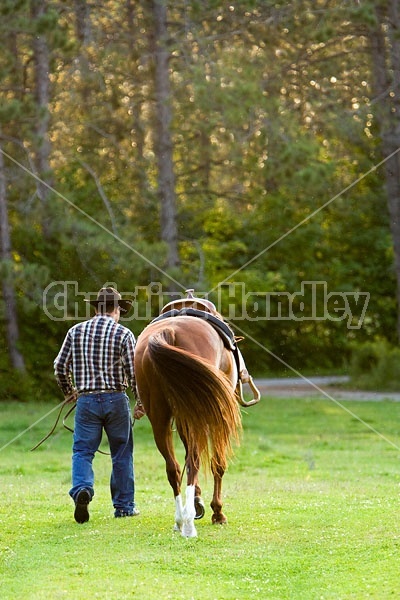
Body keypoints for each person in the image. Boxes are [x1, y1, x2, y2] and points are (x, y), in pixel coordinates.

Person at [54, 286, 141, 523]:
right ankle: (124, 506)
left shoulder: (75, 331)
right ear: (117, 309)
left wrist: (69, 391)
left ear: (95, 308)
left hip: (87, 401)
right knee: (122, 452)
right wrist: (140, 402)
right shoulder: (124, 334)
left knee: (83, 451)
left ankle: (83, 489)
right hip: (116, 399)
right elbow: (133, 373)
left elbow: (60, 366)